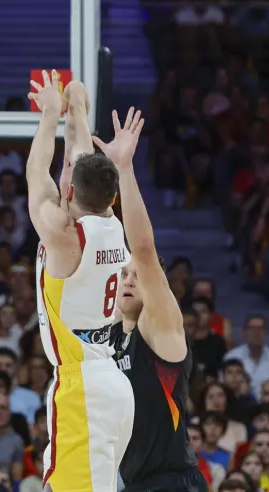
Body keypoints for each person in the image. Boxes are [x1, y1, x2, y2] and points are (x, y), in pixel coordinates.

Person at [25, 72, 135, 491]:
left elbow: (37, 175)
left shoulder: (64, 235)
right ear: (112, 197)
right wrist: (78, 107)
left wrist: (50, 113)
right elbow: (82, 158)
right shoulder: (113, 224)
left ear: (70, 192)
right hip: (110, 378)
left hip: (82, 385)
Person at [95, 107, 208, 492]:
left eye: (136, 276)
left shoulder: (160, 329)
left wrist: (123, 168)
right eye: (122, 274)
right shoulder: (110, 336)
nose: (128, 279)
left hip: (174, 482)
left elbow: (142, 249)